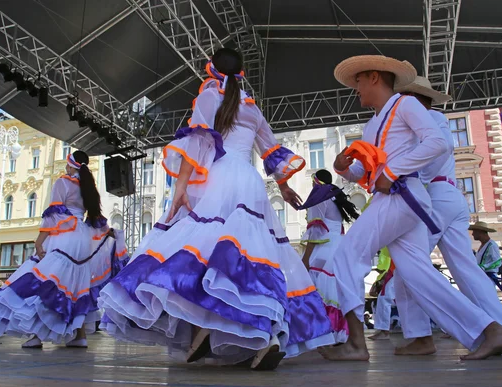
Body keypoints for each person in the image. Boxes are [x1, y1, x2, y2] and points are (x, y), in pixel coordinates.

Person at [98, 48, 336, 370]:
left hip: (216, 178)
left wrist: (180, 187)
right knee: (256, 255)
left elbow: (197, 143)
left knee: (204, 253)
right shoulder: (251, 108)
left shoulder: (210, 98)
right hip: (249, 183)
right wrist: (283, 186)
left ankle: (209, 326)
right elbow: (271, 151)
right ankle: (267, 333)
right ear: (242, 74)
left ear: (210, 70)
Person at [320, 55, 502, 361]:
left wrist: (393, 171)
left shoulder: (406, 105)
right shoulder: (372, 124)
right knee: (416, 273)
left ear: (374, 77)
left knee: (346, 255)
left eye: (358, 81)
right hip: (398, 197)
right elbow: (367, 173)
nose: (355, 88)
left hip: (402, 196)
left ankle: (356, 344)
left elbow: (437, 143)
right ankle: (491, 330)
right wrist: (344, 169)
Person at [389, 77, 502, 356]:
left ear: (413, 98)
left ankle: (422, 336)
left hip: (436, 195)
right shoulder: (434, 119)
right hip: (449, 195)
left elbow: (439, 149)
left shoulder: (429, 118)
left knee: (409, 266)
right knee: (465, 268)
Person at [0, 150, 128, 348]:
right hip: (82, 238)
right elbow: (96, 218)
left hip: (64, 237)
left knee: (46, 284)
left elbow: (53, 214)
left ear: (71, 165)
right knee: (76, 287)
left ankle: (37, 336)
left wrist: (39, 241)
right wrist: (109, 233)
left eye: (67, 164)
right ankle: (79, 336)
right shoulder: (89, 186)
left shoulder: (63, 182)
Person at [299, 169, 359, 344]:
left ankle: (322, 332)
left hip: (323, 249)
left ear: (316, 181)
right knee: (334, 290)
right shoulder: (334, 196)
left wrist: (305, 258)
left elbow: (315, 230)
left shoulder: (319, 197)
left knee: (318, 289)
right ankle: (339, 332)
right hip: (339, 247)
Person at [369, 248, 395, 341]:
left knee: (384, 298)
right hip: (399, 268)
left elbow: (383, 263)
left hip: (398, 269)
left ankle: (384, 331)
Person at [470, 221, 502, 292]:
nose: (472, 234)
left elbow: (498, 262)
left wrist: (483, 267)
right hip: (481, 277)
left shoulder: (492, 245)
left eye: (474, 231)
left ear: (480, 232)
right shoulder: (483, 245)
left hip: (488, 278)